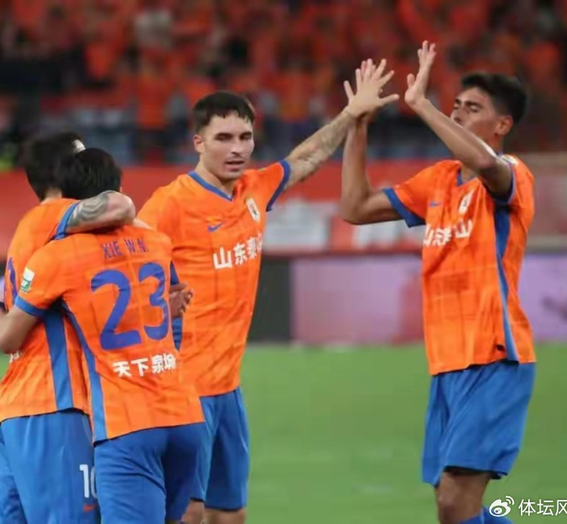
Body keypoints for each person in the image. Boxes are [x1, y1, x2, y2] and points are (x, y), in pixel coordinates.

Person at [138, 60, 398, 524]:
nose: (237, 148)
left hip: (227, 388)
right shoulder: (169, 205)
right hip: (183, 388)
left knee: (230, 515)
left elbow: (307, 158)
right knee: (187, 514)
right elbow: (125, 266)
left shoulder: (255, 188)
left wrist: (350, 114)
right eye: (223, 138)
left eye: (245, 137)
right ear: (198, 142)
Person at [340, 44, 535, 524]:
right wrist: (357, 124)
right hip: (446, 362)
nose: (459, 113)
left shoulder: (513, 175)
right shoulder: (439, 181)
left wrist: (423, 106)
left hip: (494, 355)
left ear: (502, 125)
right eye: (457, 105)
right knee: (453, 510)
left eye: (473, 108)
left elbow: (487, 166)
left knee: (454, 502)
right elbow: (356, 207)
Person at [0, 148, 204, 524]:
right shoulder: (156, 242)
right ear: (118, 187)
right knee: (187, 514)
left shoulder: (58, 256)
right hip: (183, 411)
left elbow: (9, 337)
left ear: (68, 199)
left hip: (124, 420)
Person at [0, 133, 135, 523]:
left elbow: (8, 321)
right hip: (56, 403)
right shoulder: (57, 214)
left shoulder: (32, 227)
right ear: (63, 171)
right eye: (82, 158)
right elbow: (121, 205)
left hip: (17, 407)